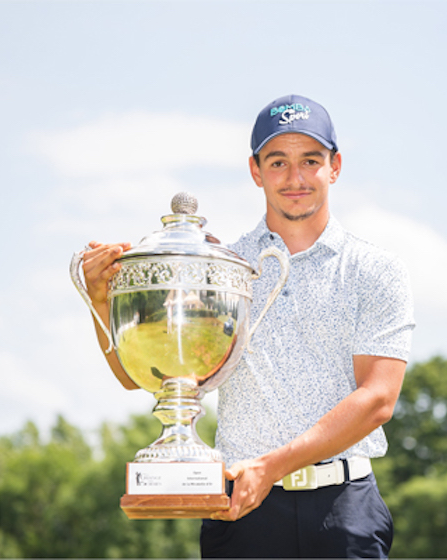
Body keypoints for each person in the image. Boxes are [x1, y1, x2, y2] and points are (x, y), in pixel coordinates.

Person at [82, 94, 415, 558]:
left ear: (334, 166)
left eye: (310, 160)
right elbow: (139, 374)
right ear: (256, 171)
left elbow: (377, 399)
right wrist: (101, 302)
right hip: (242, 513)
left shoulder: (375, 269)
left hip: (342, 510)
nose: (295, 177)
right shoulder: (222, 268)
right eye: (278, 162)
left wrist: (271, 467)